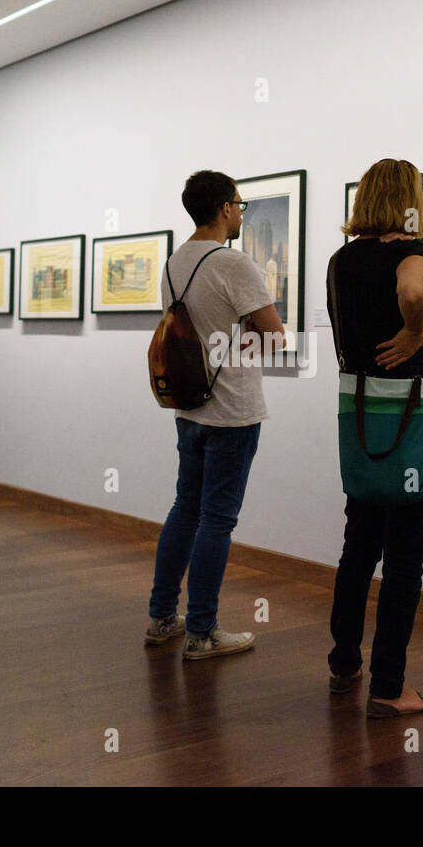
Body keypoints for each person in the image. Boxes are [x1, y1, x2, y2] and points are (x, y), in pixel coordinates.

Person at [325, 158, 423, 717]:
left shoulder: (340, 260)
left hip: (359, 413)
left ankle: (344, 661)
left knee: (359, 542)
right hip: (412, 416)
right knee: (405, 554)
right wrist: (412, 330)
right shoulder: (412, 250)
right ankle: (389, 686)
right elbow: (413, 292)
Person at [146, 170, 286, 659]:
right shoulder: (235, 265)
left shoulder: (173, 264)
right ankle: (202, 631)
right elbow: (276, 341)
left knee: (185, 508)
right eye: (240, 204)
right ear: (225, 208)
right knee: (217, 520)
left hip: (189, 409)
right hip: (232, 410)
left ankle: (163, 617)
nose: (242, 213)